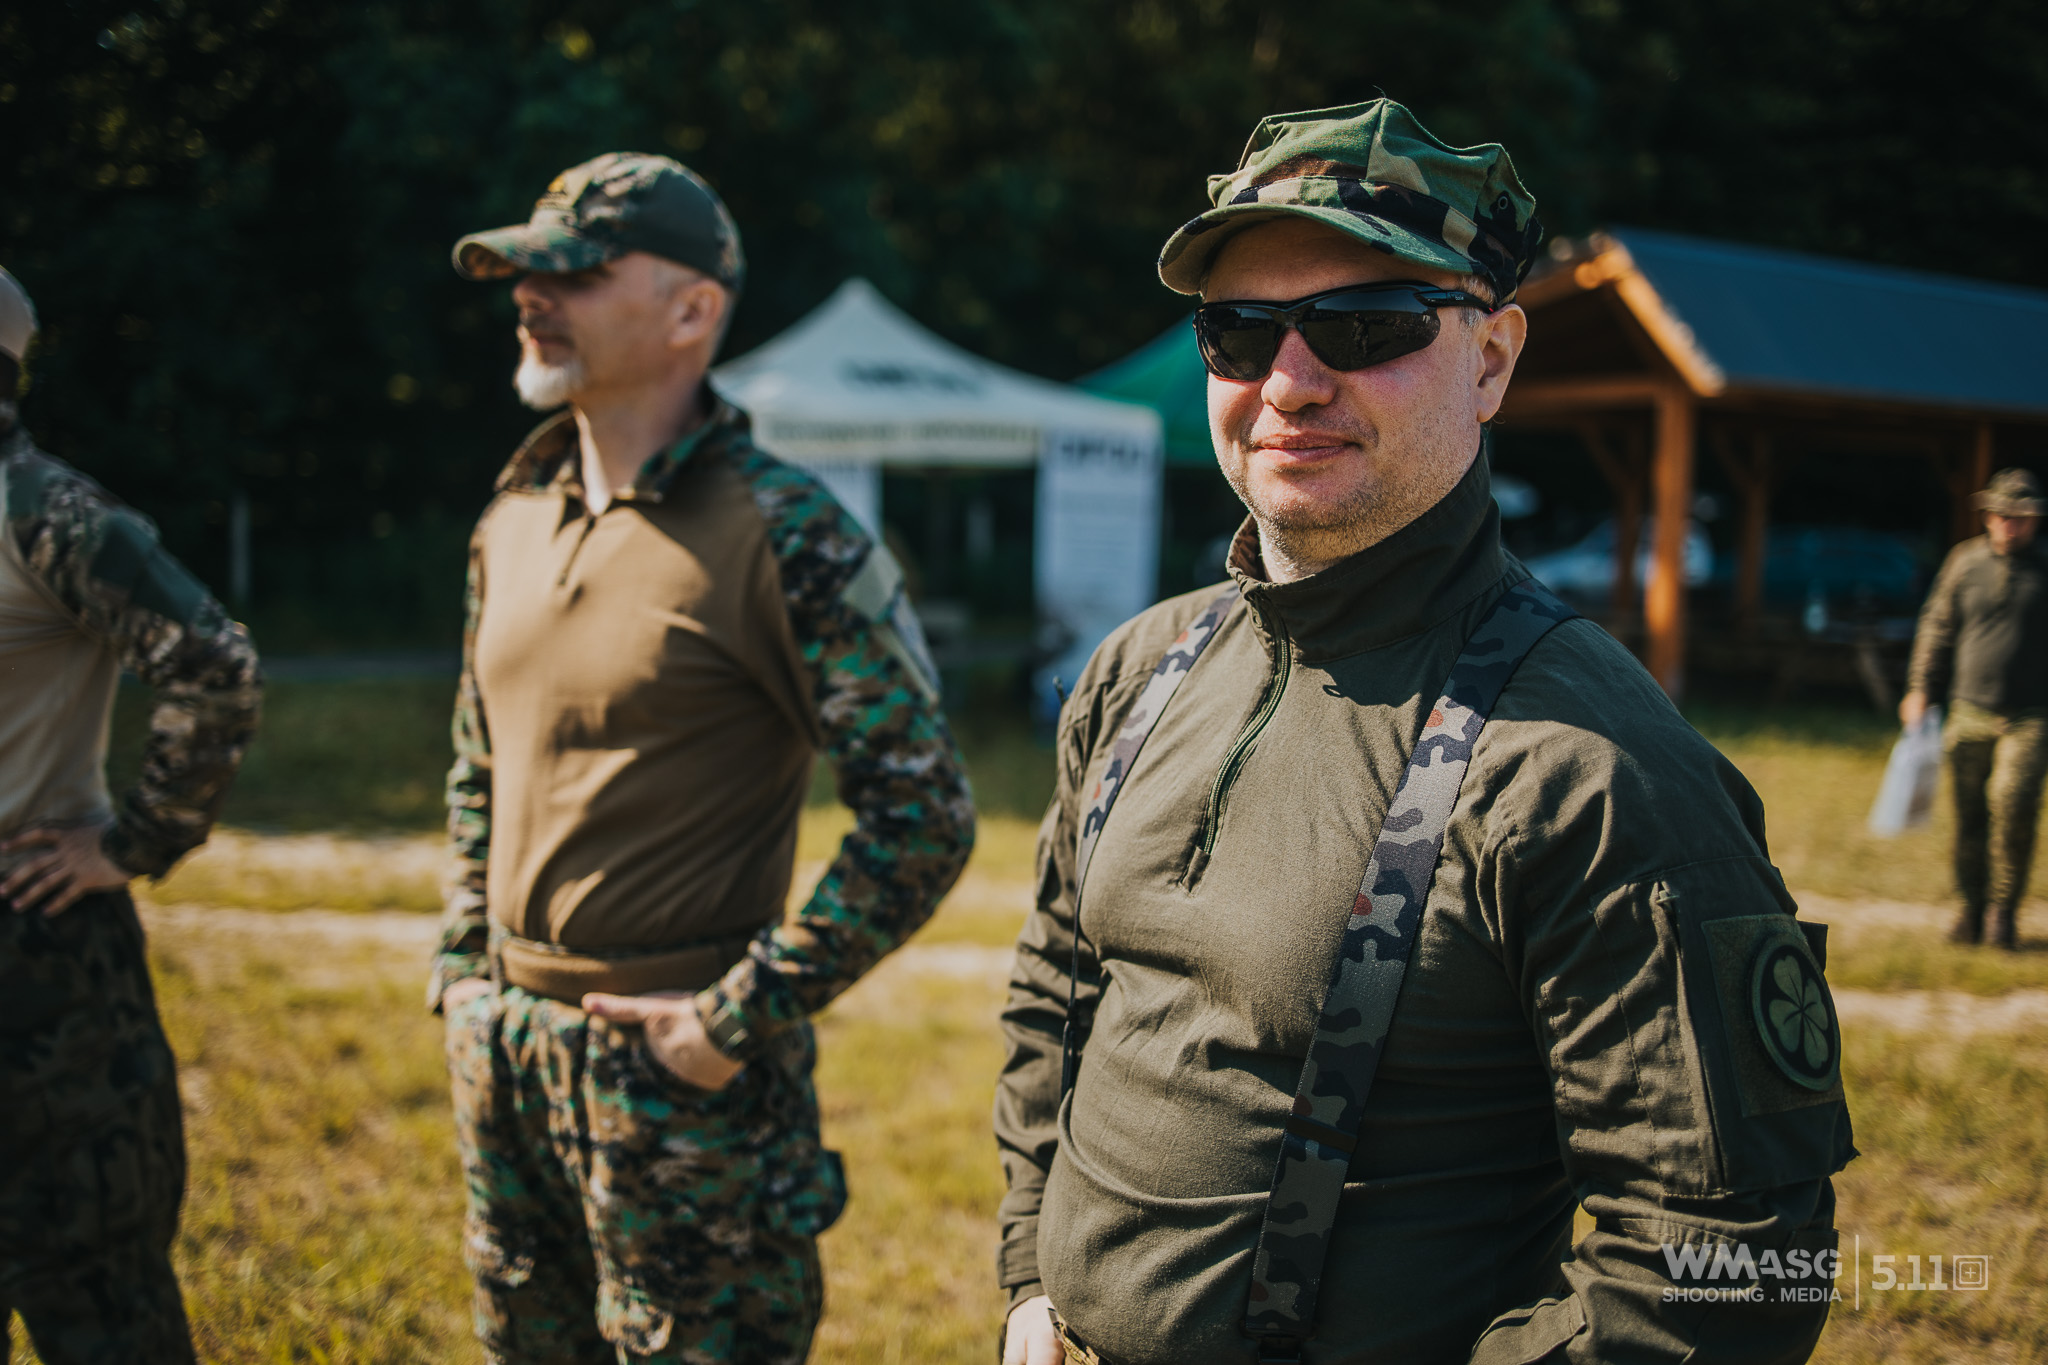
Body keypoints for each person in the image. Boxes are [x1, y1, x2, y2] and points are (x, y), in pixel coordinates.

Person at [996, 101, 1854, 1365]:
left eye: (1365, 326)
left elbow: (1733, 1265)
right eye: (1238, 332)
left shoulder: (1589, 770)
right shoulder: (1139, 671)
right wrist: (1026, 1281)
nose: (1289, 380)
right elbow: (1053, 1001)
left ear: (1493, 360)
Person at [431, 153, 975, 1364]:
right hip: (506, 1060)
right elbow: (480, 768)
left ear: (693, 311)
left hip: (682, 1087)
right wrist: (464, 974)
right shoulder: (509, 518)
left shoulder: (787, 533)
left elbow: (922, 815)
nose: (530, 290)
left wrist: (737, 1019)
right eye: (523, 265)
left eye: (571, 268)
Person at [0, 266, 263, 1363]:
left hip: (36, 958)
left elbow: (213, 663)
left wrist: (132, 843)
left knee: (100, 1307)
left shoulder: (44, 514)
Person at [1901, 467, 2048, 950]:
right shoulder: (1964, 563)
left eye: (2021, 517)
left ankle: (2003, 913)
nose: (2011, 524)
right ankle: (1970, 906)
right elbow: (1936, 627)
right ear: (1987, 515)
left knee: (2013, 801)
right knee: (1969, 815)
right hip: (1969, 710)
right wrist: (1921, 688)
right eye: (2002, 515)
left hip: (2030, 715)